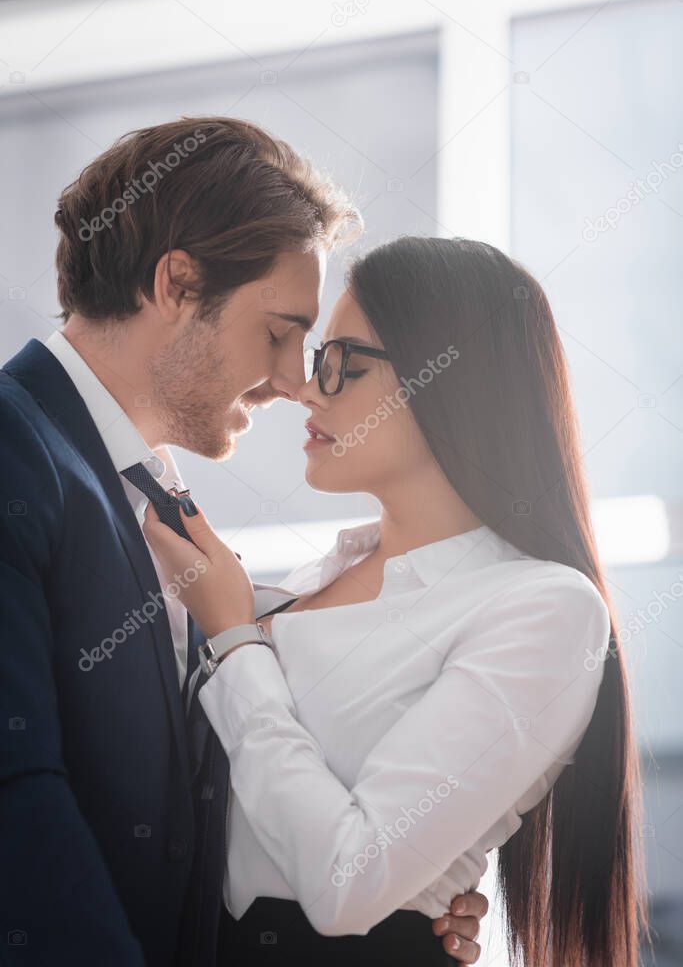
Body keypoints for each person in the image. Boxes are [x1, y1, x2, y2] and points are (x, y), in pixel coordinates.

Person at [0, 118, 486, 966]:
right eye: (278, 332)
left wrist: (403, 897)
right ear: (177, 285)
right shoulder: (16, 446)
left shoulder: (142, 495)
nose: (297, 381)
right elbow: (15, 799)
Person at [143, 236, 649, 967]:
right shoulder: (309, 582)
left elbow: (348, 884)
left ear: (452, 378)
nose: (307, 391)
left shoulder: (543, 608)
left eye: (342, 361)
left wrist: (234, 641)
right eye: (318, 360)